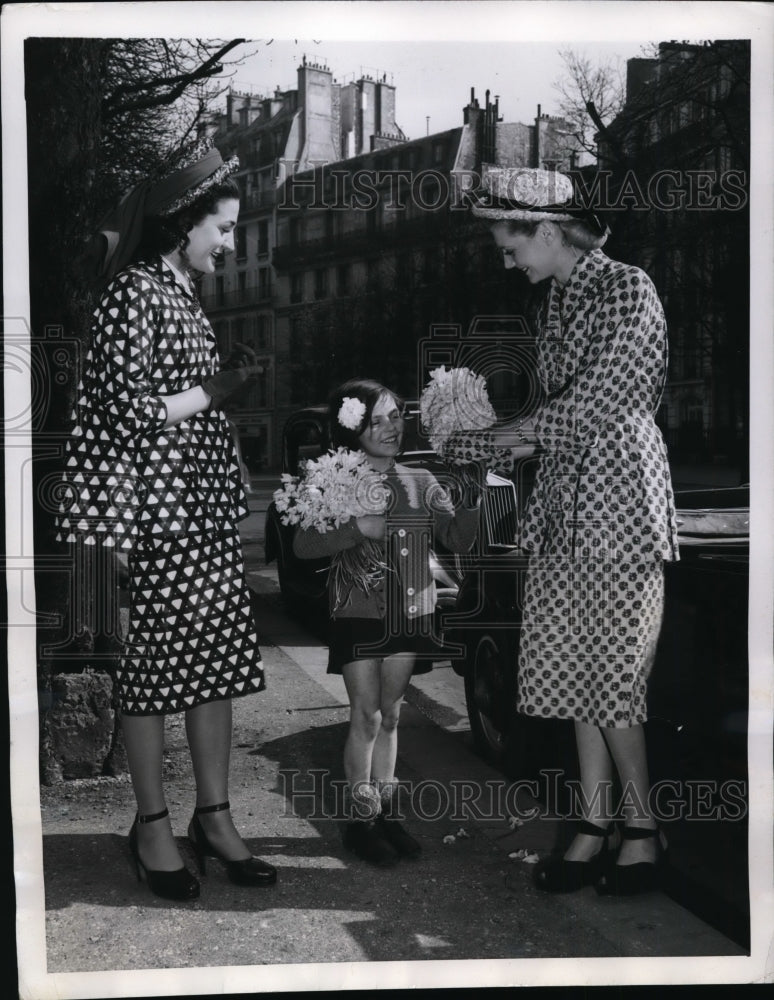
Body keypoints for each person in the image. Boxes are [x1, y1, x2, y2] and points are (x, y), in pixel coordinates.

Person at [57, 140, 277, 901]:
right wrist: (215, 390)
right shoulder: (137, 294)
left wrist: (229, 442)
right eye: (224, 227)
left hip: (203, 516)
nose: (232, 241)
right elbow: (122, 411)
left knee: (211, 670)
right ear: (185, 224)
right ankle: (151, 825)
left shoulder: (183, 294)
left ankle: (213, 819)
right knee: (152, 679)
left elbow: (182, 410)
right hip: (157, 518)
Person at [470, 167, 679, 895]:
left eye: (511, 245)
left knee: (616, 677)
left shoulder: (629, 287)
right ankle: (594, 824)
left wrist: (509, 436)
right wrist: (495, 441)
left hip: (620, 495)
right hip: (565, 502)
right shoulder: (553, 303)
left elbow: (597, 402)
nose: (508, 260)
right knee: (570, 672)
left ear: (549, 230)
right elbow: (555, 421)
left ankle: (644, 829)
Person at [293, 380, 482, 867]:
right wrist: (358, 528)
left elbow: (457, 539)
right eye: (377, 419)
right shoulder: (333, 478)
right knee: (366, 714)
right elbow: (302, 546)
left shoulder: (422, 480)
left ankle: (385, 813)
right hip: (356, 612)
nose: (390, 427)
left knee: (393, 715)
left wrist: (477, 488)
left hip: (410, 611)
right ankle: (361, 822)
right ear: (355, 428)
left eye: (396, 416)